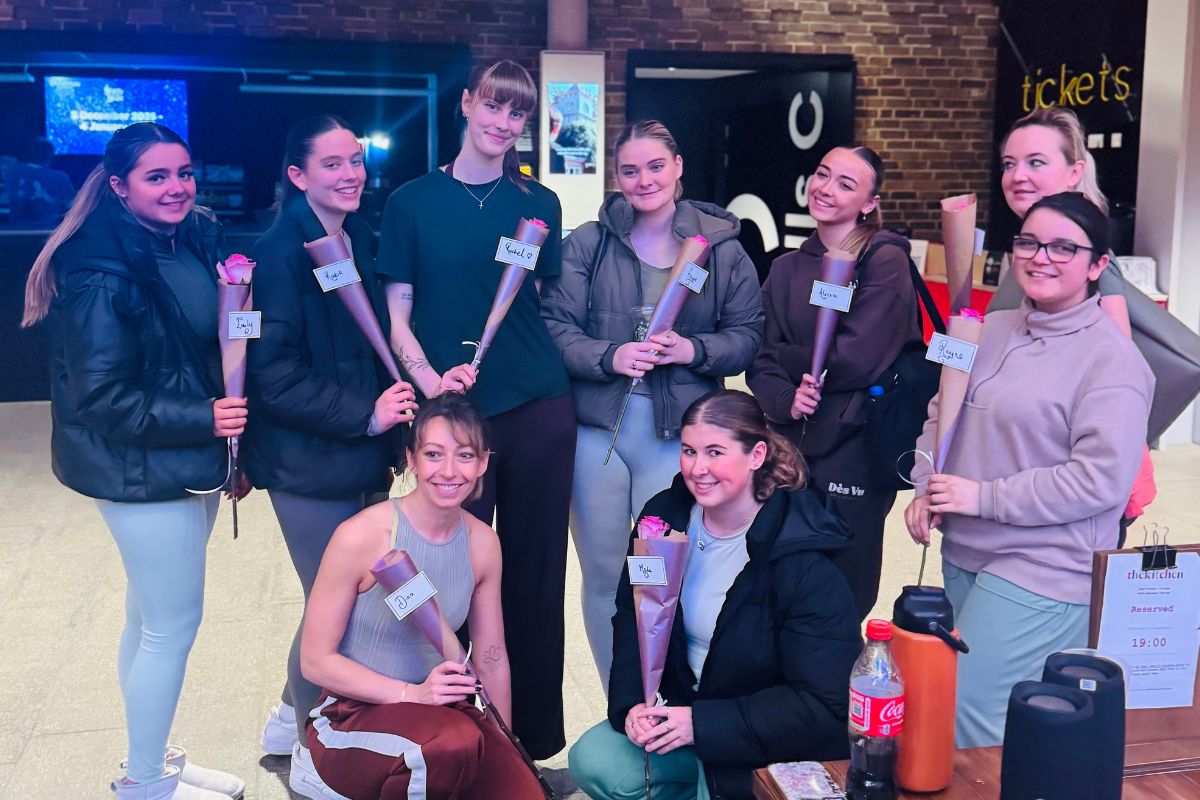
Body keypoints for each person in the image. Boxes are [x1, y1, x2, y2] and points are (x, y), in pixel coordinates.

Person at [22, 123, 245, 799]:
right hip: (142, 471)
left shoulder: (187, 238)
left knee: (147, 619)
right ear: (118, 186)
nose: (177, 187)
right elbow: (101, 399)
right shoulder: (98, 272)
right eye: (157, 176)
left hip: (186, 460)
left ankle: (150, 757)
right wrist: (204, 417)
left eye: (184, 172)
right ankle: (144, 783)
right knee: (170, 628)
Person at [904, 193, 1154, 748]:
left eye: (1064, 247)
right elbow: (938, 415)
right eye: (1029, 242)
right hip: (964, 549)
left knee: (969, 719)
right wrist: (926, 485)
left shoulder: (1113, 362)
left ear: (1097, 266)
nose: (1041, 256)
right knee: (958, 708)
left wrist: (982, 497)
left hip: (1043, 565)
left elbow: (1099, 480)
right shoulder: (986, 329)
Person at [377, 59, 575, 759]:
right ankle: (455, 737)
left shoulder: (539, 203)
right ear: (466, 104)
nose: (502, 122)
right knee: (445, 577)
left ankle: (529, 742)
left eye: (517, 113)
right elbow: (395, 313)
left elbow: (543, 306)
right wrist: (432, 381)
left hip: (538, 406)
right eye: (493, 106)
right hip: (450, 415)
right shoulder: (411, 202)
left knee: (533, 576)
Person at [541, 119, 764, 691]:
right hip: (599, 435)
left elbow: (747, 334)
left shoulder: (721, 249)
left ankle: (665, 693)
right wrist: (609, 356)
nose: (644, 181)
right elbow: (553, 326)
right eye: (631, 170)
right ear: (616, 176)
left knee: (664, 567)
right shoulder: (589, 244)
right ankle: (621, 700)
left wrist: (695, 348)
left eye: (656, 167)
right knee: (601, 571)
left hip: (677, 438)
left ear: (679, 166)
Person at [569, 390, 862, 800]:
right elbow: (631, 615)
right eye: (689, 451)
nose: (698, 468)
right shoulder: (663, 518)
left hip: (769, 744)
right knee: (596, 759)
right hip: (689, 717)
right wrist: (633, 704)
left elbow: (827, 706)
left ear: (757, 455)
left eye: (715, 452)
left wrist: (702, 724)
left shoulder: (801, 553)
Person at [245, 115, 417, 762]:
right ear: (297, 176)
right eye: (333, 164)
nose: (351, 175)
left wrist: (393, 424)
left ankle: (290, 720)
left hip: (364, 457)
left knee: (355, 603)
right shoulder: (277, 256)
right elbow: (274, 377)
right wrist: (366, 415)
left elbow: (373, 347)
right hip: (307, 465)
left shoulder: (361, 240)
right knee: (333, 609)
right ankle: (310, 747)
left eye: (356, 161)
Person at [288, 395, 544, 800]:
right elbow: (315, 661)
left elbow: (491, 658)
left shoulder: (482, 543)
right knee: (446, 747)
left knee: (520, 792)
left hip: (437, 714)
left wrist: (504, 746)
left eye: (464, 456)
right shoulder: (362, 535)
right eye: (433, 454)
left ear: (482, 463)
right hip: (350, 718)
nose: (448, 471)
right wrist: (412, 695)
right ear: (410, 458)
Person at [746, 145, 923, 621]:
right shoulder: (785, 267)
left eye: (846, 183)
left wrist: (790, 356)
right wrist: (786, 398)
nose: (826, 188)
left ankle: (837, 692)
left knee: (844, 589)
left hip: (855, 447)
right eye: (823, 175)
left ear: (869, 202)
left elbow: (858, 357)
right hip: (788, 443)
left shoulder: (884, 261)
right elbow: (759, 358)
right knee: (780, 581)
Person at [990, 106, 1167, 542]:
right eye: (1010, 164)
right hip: (1028, 475)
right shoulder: (1030, 252)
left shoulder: (1084, 260)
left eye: (1036, 162)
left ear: (1074, 173)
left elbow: (1116, 373)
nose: (1018, 176)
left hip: (1071, 488)